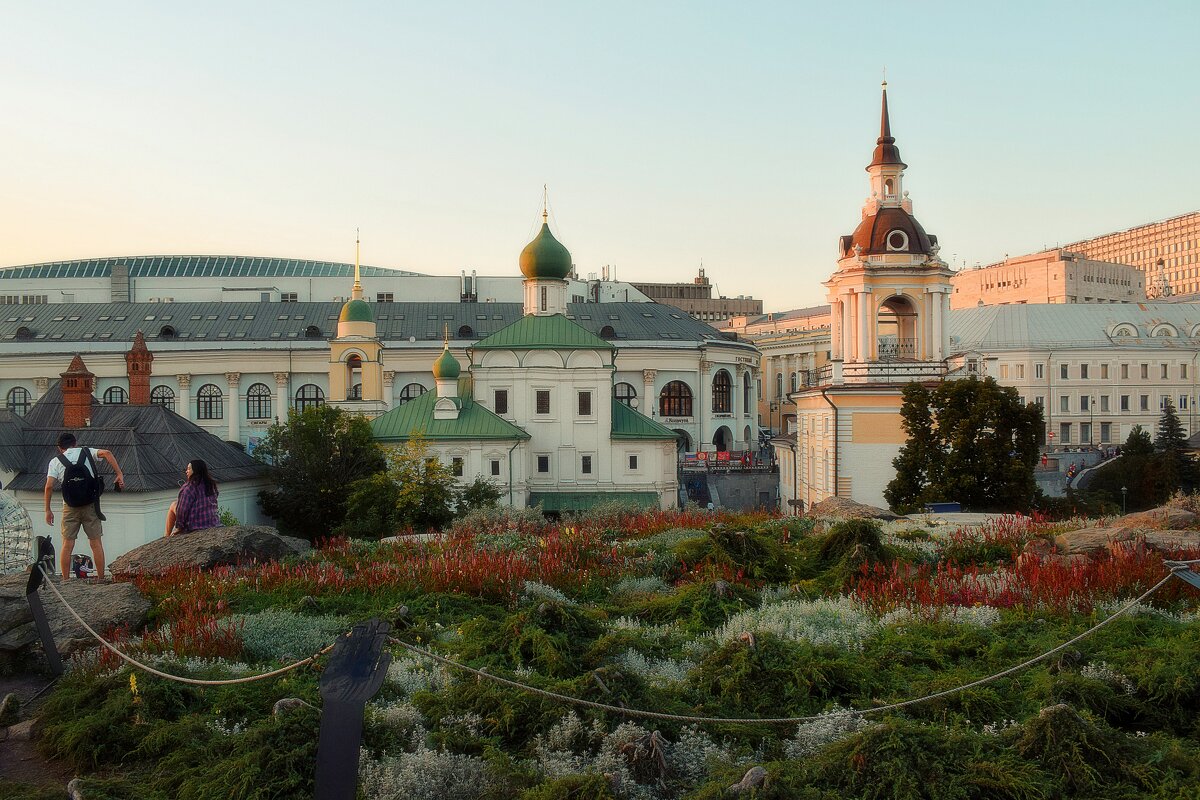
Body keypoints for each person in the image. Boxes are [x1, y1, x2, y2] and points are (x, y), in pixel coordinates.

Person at [44, 432, 125, 580]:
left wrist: (47, 510)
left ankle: (66, 580)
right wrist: (119, 473)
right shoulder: (86, 452)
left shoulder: (55, 461)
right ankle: (100, 578)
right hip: (90, 504)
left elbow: (49, 486)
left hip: (70, 506)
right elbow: (107, 453)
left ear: (59, 448)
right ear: (75, 443)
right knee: (95, 543)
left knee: (67, 544)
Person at [165, 459, 220, 537]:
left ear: (195, 470)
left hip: (194, 525)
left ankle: (166, 536)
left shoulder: (189, 487)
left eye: (189, 468)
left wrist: (179, 528)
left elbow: (182, 510)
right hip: (212, 523)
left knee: (173, 505)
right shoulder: (211, 485)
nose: (186, 471)